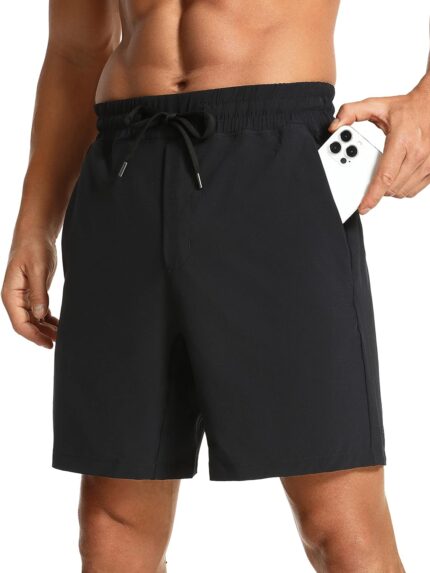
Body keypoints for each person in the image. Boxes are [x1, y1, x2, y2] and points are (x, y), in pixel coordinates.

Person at [2, 1, 429, 571]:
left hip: (273, 161)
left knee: (341, 525)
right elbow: (76, 51)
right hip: (124, 166)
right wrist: (35, 224)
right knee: (112, 528)